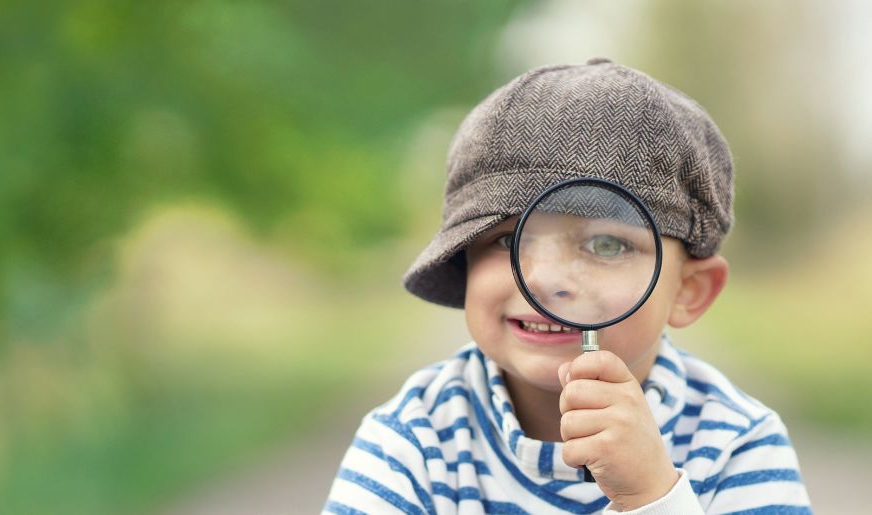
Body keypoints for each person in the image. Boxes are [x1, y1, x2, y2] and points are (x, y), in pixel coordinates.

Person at [323, 59, 812, 514]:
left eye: (605, 244)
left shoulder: (737, 444)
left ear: (689, 290)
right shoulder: (412, 440)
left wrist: (651, 496)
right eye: (508, 238)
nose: (546, 280)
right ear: (464, 258)